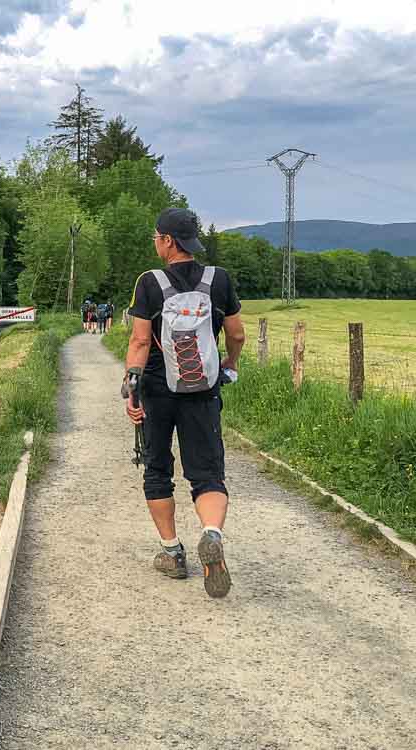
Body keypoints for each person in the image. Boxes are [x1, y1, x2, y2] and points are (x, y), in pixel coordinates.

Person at [122, 207, 246, 598]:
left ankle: (172, 553)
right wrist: (228, 365)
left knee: (158, 469)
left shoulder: (149, 283)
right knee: (207, 473)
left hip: (158, 391)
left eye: (156, 237)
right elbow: (238, 333)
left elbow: (140, 341)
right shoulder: (219, 280)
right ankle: (211, 534)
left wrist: (131, 389)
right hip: (203, 391)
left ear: (168, 241)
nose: (155, 243)